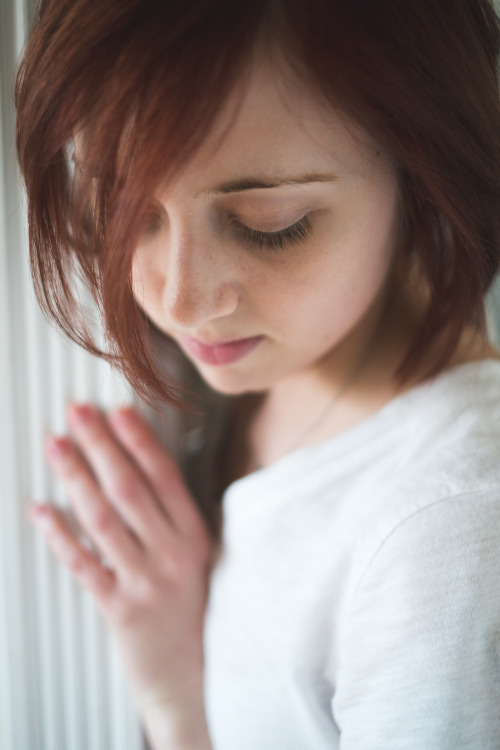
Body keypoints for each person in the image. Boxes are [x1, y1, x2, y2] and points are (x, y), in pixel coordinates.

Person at [15, 0, 500, 748]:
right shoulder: (291, 356)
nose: (178, 301)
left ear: (422, 172)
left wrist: (177, 709)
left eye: (270, 224)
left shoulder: (445, 541)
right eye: (120, 206)